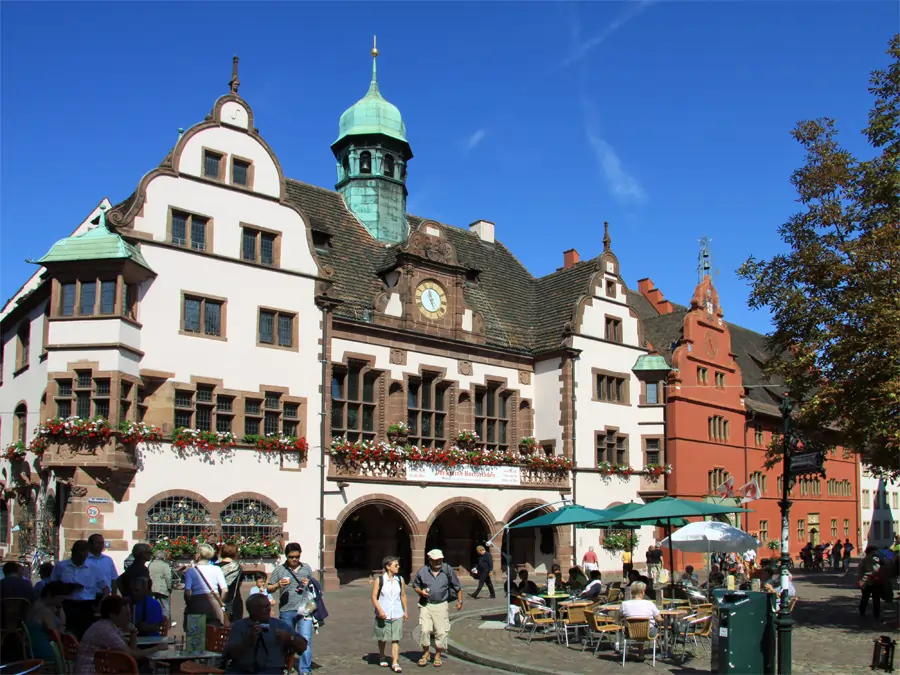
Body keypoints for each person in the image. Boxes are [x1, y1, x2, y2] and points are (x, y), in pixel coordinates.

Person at [74, 595, 167, 674]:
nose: (129, 617)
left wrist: (133, 633)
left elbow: (131, 651)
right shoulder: (106, 629)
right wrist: (158, 648)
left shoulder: (108, 626)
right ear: (113, 615)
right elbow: (133, 655)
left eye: (130, 614)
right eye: (126, 614)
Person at [223, 593, 308, 675]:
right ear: (252, 610)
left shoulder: (279, 625)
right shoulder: (240, 626)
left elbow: (303, 646)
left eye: (269, 606)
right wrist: (247, 642)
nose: (269, 609)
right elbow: (228, 655)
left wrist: (290, 638)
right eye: (264, 607)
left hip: (271, 669)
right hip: (241, 669)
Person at [267, 542, 315, 675]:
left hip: (305, 608)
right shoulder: (280, 570)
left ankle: (305, 670)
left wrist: (309, 583)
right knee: (286, 640)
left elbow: (315, 586)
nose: (294, 560)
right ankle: (286, 667)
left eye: (297, 557)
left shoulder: (306, 568)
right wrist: (278, 584)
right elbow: (268, 587)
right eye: (291, 557)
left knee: (305, 640)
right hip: (287, 609)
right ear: (286, 556)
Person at [413, 549, 463, 668]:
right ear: (430, 560)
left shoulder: (447, 569)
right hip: (426, 604)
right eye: (435, 560)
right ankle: (426, 654)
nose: (438, 562)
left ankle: (438, 655)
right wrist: (421, 592)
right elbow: (415, 586)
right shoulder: (422, 571)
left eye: (440, 560)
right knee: (425, 630)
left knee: (441, 632)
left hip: (441, 605)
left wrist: (460, 601)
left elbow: (458, 587)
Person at [51, 539, 110, 639]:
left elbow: (105, 588)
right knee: (66, 633)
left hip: (86, 605)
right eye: (79, 551)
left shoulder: (94, 568)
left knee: (85, 634)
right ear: (73, 551)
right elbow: (52, 585)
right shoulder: (61, 567)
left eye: (84, 551)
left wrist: (101, 603)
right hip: (67, 604)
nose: (81, 554)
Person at [25, 581, 81, 661]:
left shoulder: (36, 605)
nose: (62, 601)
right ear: (51, 595)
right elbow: (57, 636)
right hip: (48, 650)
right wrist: (61, 626)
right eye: (61, 598)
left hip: (35, 648)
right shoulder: (45, 611)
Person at [372, 556, 408, 673]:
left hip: (397, 613)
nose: (398, 567)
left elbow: (403, 595)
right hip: (384, 613)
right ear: (388, 567)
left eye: (398, 565)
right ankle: (382, 655)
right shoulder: (380, 580)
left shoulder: (400, 580)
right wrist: (380, 610)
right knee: (382, 638)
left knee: (395, 639)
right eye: (395, 565)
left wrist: (405, 610)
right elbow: (374, 597)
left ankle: (395, 662)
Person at [183, 543, 228, 627]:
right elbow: (225, 590)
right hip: (214, 604)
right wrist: (220, 601)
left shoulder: (191, 571)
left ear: (198, 555)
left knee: (196, 635)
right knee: (214, 633)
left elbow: (187, 592)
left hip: (196, 604)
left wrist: (189, 604)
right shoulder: (217, 569)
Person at [217, 543, 244, 623]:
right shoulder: (238, 567)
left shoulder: (215, 567)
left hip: (217, 599)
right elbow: (239, 583)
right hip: (234, 600)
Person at [858, 546, 887, 618]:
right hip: (869, 581)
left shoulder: (875, 560)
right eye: (874, 551)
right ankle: (865, 611)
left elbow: (860, 572)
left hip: (873, 581)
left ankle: (873, 613)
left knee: (874, 598)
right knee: (868, 598)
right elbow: (860, 572)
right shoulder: (868, 560)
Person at [148, 550, 174, 627]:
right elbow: (168, 577)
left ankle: (152, 622)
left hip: (152, 588)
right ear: (164, 558)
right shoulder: (165, 565)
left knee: (152, 606)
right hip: (162, 588)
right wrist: (170, 587)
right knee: (165, 607)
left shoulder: (151, 564)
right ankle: (166, 624)